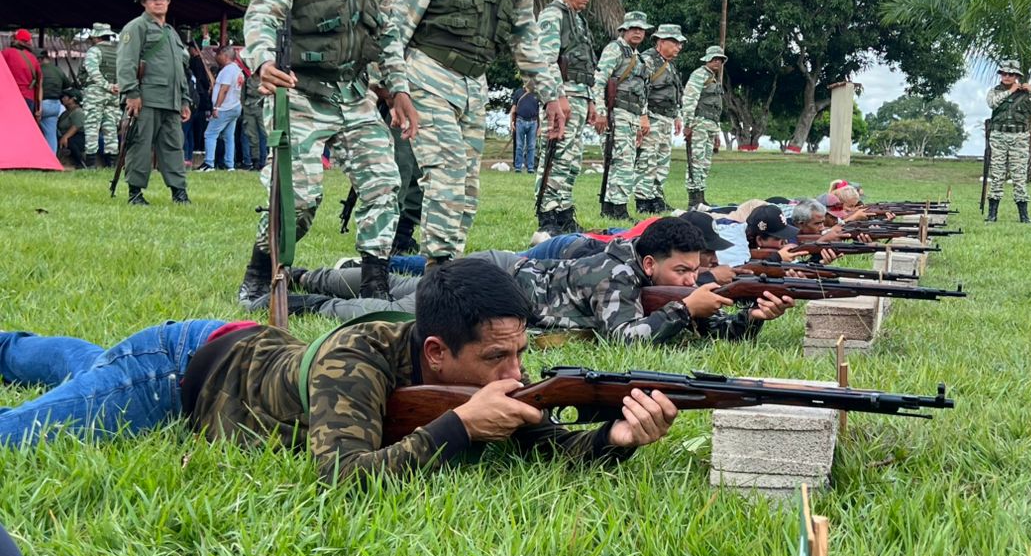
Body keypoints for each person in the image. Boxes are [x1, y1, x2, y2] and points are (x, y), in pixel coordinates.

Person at [0, 259, 677, 483]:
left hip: (241, 346)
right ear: (436, 352)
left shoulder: (456, 372)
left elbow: (539, 443)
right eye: (496, 359)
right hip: (177, 373)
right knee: (21, 432)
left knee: (80, 366)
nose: (515, 371)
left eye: (520, 353)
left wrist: (612, 442)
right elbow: (342, 474)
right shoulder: (357, 360)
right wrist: (462, 427)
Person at [237, 0, 419, 305]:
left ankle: (375, 283)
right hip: (299, 92)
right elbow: (263, 13)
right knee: (297, 198)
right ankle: (261, 271)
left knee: (383, 184)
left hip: (354, 94)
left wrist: (398, 89)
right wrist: (262, 62)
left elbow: (388, 33)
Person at [391, 0, 567, 270]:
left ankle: (448, 264)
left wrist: (552, 95)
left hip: (473, 87)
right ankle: (438, 268)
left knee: (468, 186)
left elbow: (528, 46)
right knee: (448, 170)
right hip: (427, 73)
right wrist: (391, 85)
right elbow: (395, 23)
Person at [290, 217, 794, 342]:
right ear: (648, 266)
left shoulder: (646, 282)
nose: (689, 280)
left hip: (509, 284)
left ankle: (304, 289)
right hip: (495, 280)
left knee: (398, 293)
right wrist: (686, 309)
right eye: (680, 272)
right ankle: (302, 294)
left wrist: (748, 320)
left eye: (693, 272)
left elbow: (685, 325)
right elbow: (627, 339)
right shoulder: (613, 275)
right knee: (396, 303)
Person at [533, 0, 606, 234]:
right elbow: (546, 60)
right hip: (561, 97)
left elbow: (586, 66)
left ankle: (563, 211)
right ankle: (548, 215)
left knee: (571, 160)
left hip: (578, 96)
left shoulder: (578, 20)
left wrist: (589, 102)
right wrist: (558, 96)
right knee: (554, 156)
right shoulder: (554, 16)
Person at [115, 0, 192, 206]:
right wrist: (131, 93)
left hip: (171, 100)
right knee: (139, 145)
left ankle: (179, 192)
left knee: (174, 147)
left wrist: (185, 99)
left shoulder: (171, 32)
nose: (158, 2)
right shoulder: (136, 27)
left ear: (168, 1)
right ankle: (135, 193)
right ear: (144, 2)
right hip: (145, 99)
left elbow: (180, 69)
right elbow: (126, 62)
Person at [369, 0, 423, 255]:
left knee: (416, 169)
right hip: (385, 98)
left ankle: (405, 231)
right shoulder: (371, 2)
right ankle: (386, 237)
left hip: (415, 95)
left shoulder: (415, 3)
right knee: (398, 167)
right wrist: (385, 92)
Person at [597, 11, 654, 220]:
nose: (638, 32)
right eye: (634, 28)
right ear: (624, 30)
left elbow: (642, 91)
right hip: (616, 113)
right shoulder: (615, 49)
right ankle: (617, 209)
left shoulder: (638, 58)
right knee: (621, 162)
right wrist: (601, 112)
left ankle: (612, 207)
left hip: (631, 115)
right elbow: (600, 79)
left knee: (625, 161)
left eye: (642, 29)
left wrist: (642, 117)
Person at [984, 59, 1031, 224]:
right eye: (1004, 73)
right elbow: (992, 103)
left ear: (1016, 76)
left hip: (1019, 138)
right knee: (997, 175)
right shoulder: (995, 91)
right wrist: (1010, 91)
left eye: (1010, 74)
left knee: (1019, 176)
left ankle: (1024, 216)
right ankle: (992, 215)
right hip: (999, 136)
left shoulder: (1026, 94)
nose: (1006, 76)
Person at [634, 24, 686, 213]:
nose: (678, 47)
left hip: (666, 118)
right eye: (675, 42)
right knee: (647, 160)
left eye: (680, 43)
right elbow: (640, 90)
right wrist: (643, 115)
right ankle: (643, 201)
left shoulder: (669, 65)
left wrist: (677, 116)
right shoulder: (648, 61)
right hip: (652, 117)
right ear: (661, 41)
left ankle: (656, 198)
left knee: (662, 162)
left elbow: (675, 92)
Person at [680, 45, 727, 209]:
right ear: (707, 59)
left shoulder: (713, 78)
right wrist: (688, 124)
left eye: (720, 59)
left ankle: (700, 197)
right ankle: (693, 199)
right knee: (696, 162)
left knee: (705, 163)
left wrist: (717, 133)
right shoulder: (699, 75)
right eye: (714, 59)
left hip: (710, 124)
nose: (717, 62)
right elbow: (689, 99)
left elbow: (716, 108)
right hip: (698, 123)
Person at [79, 23, 121, 168]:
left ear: (96, 37)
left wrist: (106, 86)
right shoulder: (118, 51)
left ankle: (91, 165)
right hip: (114, 94)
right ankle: (112, 165)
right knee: (111, 129)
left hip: (96, 93)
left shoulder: (94, 51)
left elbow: (92, 72)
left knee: (92, 128)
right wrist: (116, 86)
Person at [198, 46, 243, 172]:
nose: (216, 57)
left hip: (225, 107)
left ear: (224, 55)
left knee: (210, 134)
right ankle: (230, 164)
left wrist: (217, 107)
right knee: (229, 136)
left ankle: (209, 163)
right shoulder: (238, 70)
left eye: (218, 54)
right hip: (235, 105)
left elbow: (224, 89)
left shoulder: (228, 70)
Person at [237, 51, 266, 170]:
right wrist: (245, 108)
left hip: (261, 109)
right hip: (249, 109)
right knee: (252, 136)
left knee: (265, 136)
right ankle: (256, 161)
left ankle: (265, 160)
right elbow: (243, 96)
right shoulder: (248, 80)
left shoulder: (265, 79)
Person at [37, 48, 70, 153]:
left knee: (31, 131)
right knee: (50, 134)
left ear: (39, 59)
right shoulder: (58, 70)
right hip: (55, 105)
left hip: (41, 104)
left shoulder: (38, 69)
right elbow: (67, 86)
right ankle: (52, 162)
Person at [3, 29, 41, 118]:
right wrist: (39, 107)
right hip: (29, 98)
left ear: (16, 40)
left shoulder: (6, 53)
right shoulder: (33, 58)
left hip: (10, 97)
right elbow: (39, 83)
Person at [509, 81, 539, 173]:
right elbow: (513, 108)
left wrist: (540, 127)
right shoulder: (518, 92)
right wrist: (511, 122)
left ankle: (530, 167)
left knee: (531, 146)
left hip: (533, 121)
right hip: (520, 121)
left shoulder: (537, 93)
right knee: (519, 146)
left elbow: (539, 111)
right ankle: (518, 167)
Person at [56, 89, 86, 169]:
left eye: (65, 97)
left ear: (73, 99)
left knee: (70, 141)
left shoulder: (78, 112)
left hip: (79, 136)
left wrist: (65, 137)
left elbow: (76, 126)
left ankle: (81, 162)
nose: (63, 99)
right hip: (65, 134)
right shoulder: (65, 113)